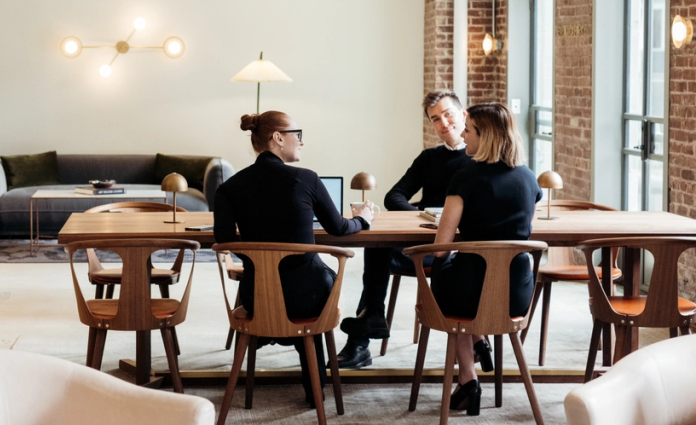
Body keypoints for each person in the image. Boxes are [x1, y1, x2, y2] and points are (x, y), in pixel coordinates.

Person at [214, 110, 376, 408]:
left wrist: (257, 255)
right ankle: (316, 387)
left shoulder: (229, 188)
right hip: (308, 299)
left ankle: (254, 358)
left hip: (256, 298)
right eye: (297, 135)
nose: (301, 142)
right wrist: (363, 219)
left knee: (290, 280)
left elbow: (223, 241)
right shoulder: (306, 179)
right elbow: (339, 228)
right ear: (278, 138)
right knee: (315, 276)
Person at [337, 89, 476, 369]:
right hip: (424, 242)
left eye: (448, 115)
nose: (443, 123)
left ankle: (363, 333)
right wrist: (424, 216)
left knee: (380, 247)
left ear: (463, 115)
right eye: (435, 119)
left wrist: (449, 223)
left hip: (459, 254)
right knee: (378, 243)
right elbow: (394, 196)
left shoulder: (480, 160)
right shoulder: (429, 158)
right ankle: (370, 321)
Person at [429, 102, 541, 416]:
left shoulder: (465, 177)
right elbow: (522, 232)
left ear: (486, 136)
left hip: (468, 297)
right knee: (469, 279)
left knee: (446, 269)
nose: (462, 136)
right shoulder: (528, 179)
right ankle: (477, 346)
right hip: (516, 296)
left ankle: (468, 379)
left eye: (468, 130)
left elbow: (440, 247)